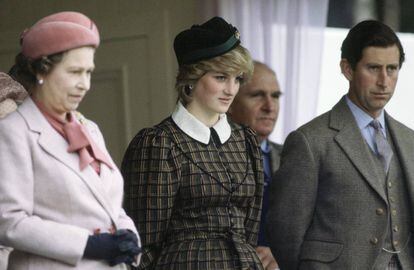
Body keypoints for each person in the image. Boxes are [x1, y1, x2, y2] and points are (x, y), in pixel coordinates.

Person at [266, 20, 414, 269]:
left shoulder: (409, 139)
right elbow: (286, 233)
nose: (384, 81)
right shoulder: (310, 140)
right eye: (373, 68)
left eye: (392, 68)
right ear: (347, 69)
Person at [0, 11, 141, 269]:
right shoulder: (13, 131)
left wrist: (128, 233)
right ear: (41, 70)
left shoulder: (90, 129)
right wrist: (86, 244)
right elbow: (8, 221)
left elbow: (106, 203)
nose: (85, 84)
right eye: (75, 72)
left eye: (89, 72)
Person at [121, 17, 264, 269]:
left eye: (237, 78)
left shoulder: (245, 140)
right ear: (191, 78)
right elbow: (142, 244)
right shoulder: (159, 144)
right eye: (221, 77)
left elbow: (249, 229)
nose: (231, 89)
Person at [228, 61, 282, 270]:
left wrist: (280, 254)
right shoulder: (208, 157)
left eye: (275, 96)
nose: (270, 106)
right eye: (257, 95)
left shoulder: (294, 155)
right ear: (230, 102)